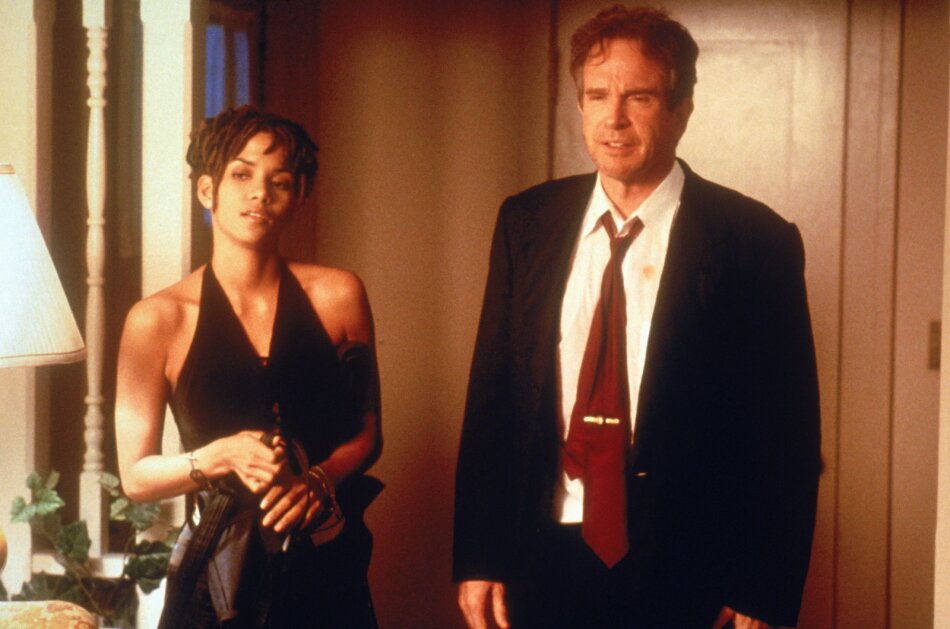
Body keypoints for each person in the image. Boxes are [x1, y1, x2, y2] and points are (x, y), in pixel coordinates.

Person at [453, 5, 821, 629]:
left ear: (681, 112)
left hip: (689, 566)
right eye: (597, 95)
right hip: (541, 553)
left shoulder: (755, 240)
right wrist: (479, 553)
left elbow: (787, 434)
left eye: (640, 97)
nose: (614, 118)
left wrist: (763, 587)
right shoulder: (526, 221)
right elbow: (493, 399)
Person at [115, 107, 382, 628]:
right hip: (214, 584)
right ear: (207, 190)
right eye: (241, 175)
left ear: (299, 196)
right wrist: (219, 455)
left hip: (326, 568)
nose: (259, 193)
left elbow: (368, 435)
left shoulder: (340, 295)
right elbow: (136, 477)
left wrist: (319, 480)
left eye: (279, 181)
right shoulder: (157, 319)